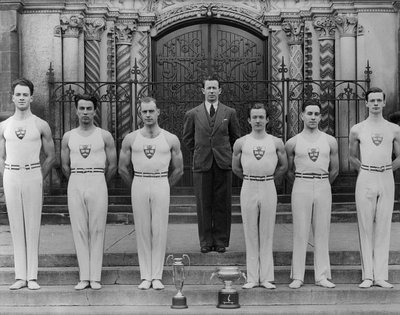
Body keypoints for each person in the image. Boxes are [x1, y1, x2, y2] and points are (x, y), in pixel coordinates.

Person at [118, 97, 183, 290]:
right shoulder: (131, 138)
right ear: (140, 113)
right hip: (139, 181)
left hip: (161, 181)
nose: (148, 115)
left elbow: (179, 169)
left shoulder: (170, 138)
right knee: (143, 229)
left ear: (158, 112)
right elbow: (122, 168)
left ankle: (157, 276)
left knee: (159, 229)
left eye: (151, 111)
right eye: (144, 111)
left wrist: (165, 185)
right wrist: (136, 185)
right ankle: (145, 275)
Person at [0, 78, 55, 290]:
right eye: (18, 94)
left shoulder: (40, 124)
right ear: (12, 97)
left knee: (32, 225)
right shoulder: (4, 126)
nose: (22, 98)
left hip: (32, 174)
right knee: (15, 225)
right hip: (12, 176)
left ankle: (32, 276)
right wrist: (6, 177)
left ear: (31, 97)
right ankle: (20, 276)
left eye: (25, 94)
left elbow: (51, 156)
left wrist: (38, 175)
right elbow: (1, 157)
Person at [61, 94, 117, 290]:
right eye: (82, 108)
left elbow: (113, 165)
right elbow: (65, 165)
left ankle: (95, 276)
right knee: (79, 228)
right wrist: (77, 180)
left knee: (97, 228)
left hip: (97, 180)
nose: (85, 112)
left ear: (95, 111)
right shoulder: (69, 136)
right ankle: (84, 276)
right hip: (76, 179)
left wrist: (99, 180)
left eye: (89, 108)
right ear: (76, 110)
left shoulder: (104, 135)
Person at [182, 77, 241, 253]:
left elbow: (235, 137)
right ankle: (206, 242)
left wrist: (224, 153)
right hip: (202, 163)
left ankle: (221, 241)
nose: (212, 91)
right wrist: (201, 150)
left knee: (222, 203)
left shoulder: (229, 112)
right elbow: (187, 138)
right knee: (203, 204)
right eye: (209, 88)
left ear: (220, 90)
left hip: (223, 163)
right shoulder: (193, 113)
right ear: (203, 91)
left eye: (215, 88)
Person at [349, 87, 400, 289]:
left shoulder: (394, 129)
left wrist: (388, 168)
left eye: (380, 100)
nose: (376, 104)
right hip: (366, 176)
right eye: (373, 100)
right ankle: (367, 275)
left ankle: (380, 275)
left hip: (386, 176)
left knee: (384, 225)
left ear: (384, 102)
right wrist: (365, 170)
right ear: (367, 103)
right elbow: (352, 156)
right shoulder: (357, 129)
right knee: (365, 225)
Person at [232, 103, 287, 289]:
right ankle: (252, 277)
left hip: (267, 185)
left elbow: (283, 166)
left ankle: (266, 277)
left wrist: (268, 178)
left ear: (267, 119)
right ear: (248, 120)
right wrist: (251, 178)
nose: (257, 120)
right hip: (248, 185)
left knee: (267, 232)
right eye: (254, 117)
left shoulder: (276, 142)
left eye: (261, 117)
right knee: (250, 232)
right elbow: (236, 168)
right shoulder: (241, 142)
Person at [285, 101, 339, 289]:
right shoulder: (293, 142)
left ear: (321, 116)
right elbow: (289, 170)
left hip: (323, 184)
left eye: (317, 114)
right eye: (309, 113)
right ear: (302, 116)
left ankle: (322, 275)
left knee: (322, 231)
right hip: (301, 183)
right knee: (300, 231)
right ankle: (297, 276)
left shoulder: (330, 140)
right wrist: (303, 182)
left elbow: (335, 169)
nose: (313, 117)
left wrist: (321, 183)